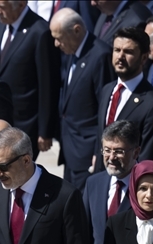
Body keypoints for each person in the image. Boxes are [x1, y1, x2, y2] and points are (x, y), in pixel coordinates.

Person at [0, 0, 60, 160]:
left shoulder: (40, 32)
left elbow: (48, 85)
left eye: (1, 7)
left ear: (21, 4)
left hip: (25, 123)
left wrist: (45, 131)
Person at [51, 8, 114, 190]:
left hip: (87, 153)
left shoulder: (100, 56)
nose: (56, 44)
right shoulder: (73, 52)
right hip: (71, 149)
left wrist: (98, 151)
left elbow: (105, 108)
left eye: (59, 37)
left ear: (77, 30)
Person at [84, 120, 137, 244]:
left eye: (119, 151)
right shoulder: (93, 184)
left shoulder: (149, 187)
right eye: (107, 150)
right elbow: (84, 238)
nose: (111, 157)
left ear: (136, 152)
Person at [97, 27, 153, 164]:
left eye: (128, 52)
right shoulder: (106, 90)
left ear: (144, 58)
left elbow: (148, 157)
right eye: (117, 50)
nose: (120, 57)